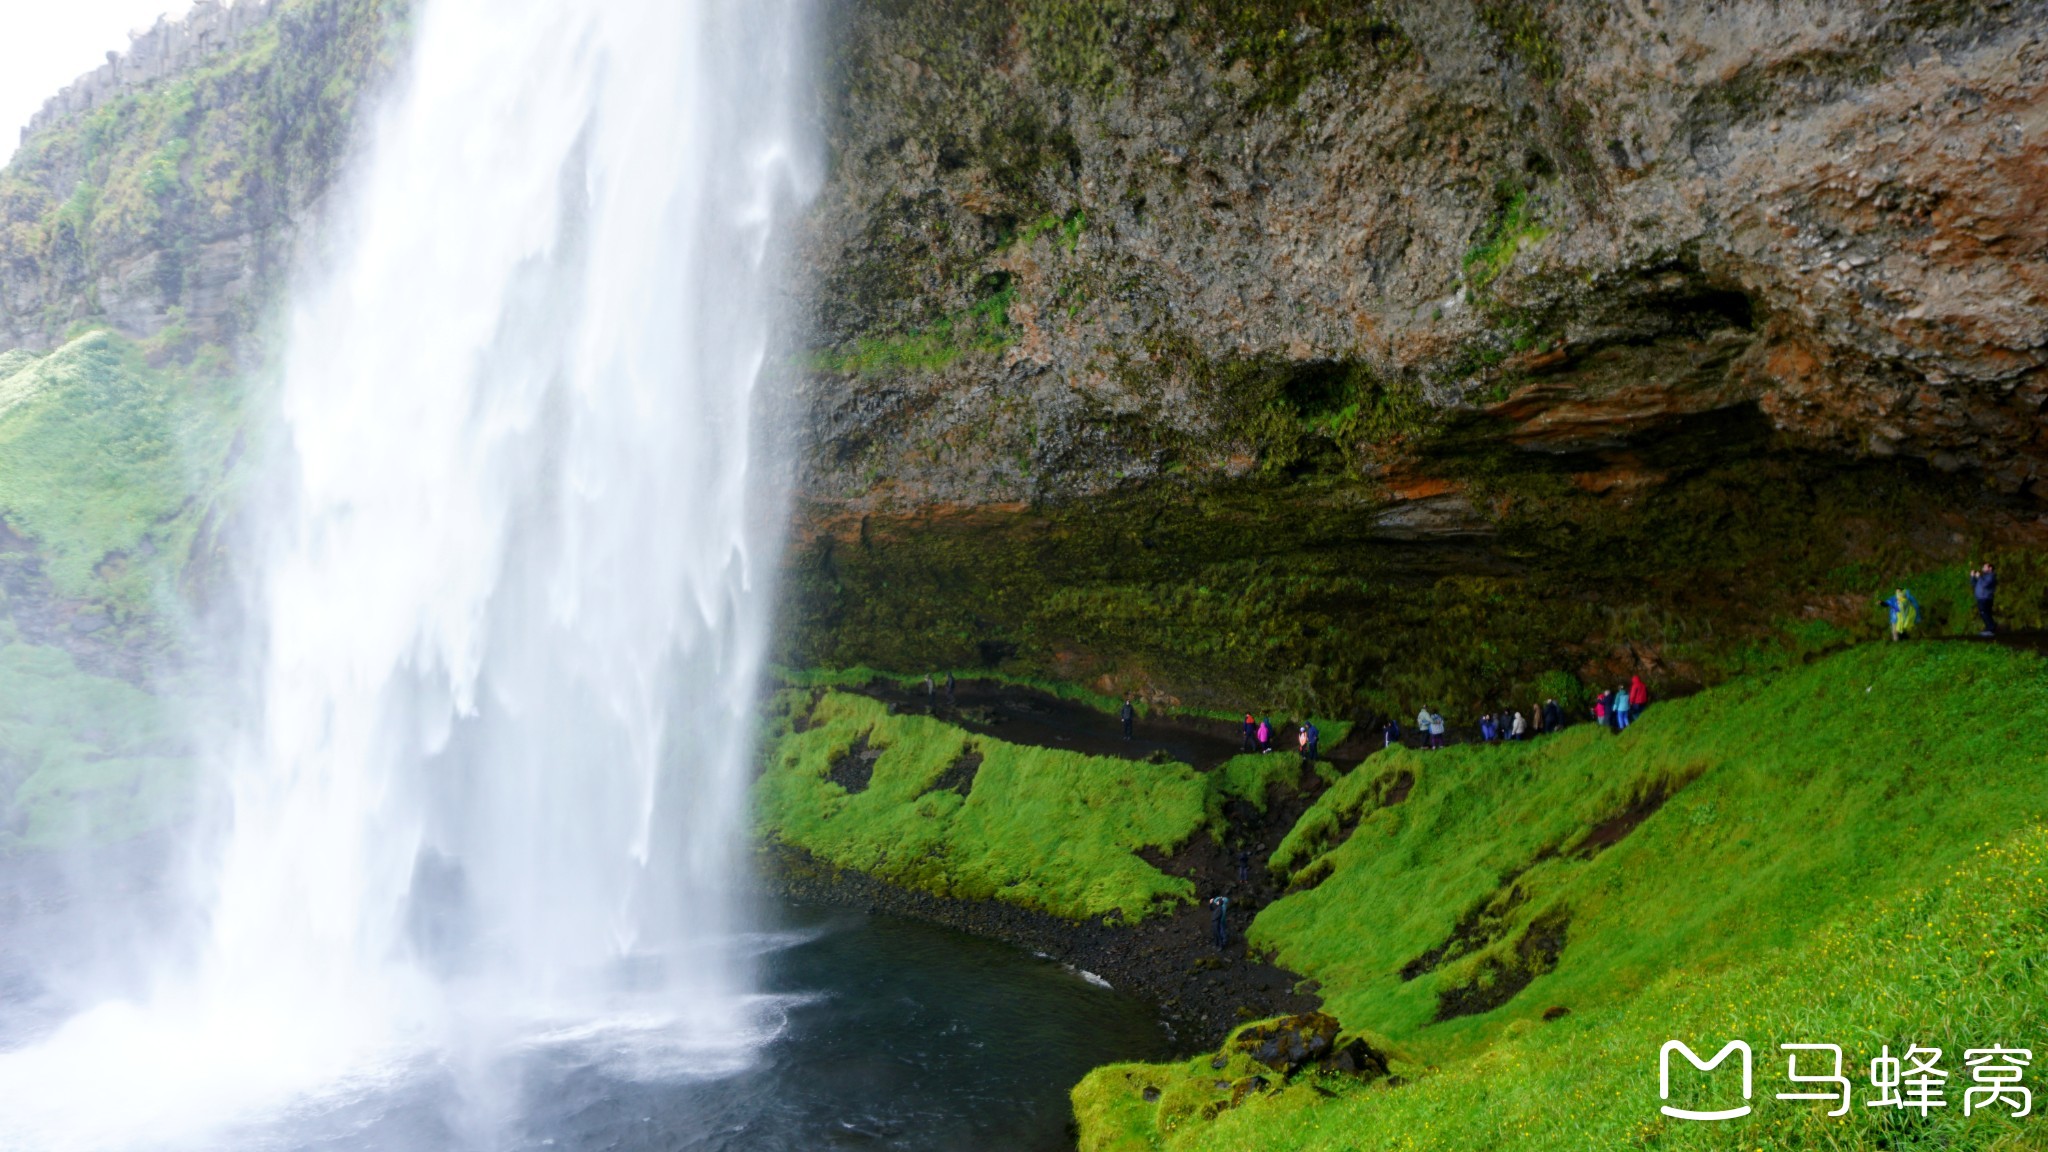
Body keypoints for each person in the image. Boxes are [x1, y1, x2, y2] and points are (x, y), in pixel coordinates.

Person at [1973, 562, 1998, 637]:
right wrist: (1972, 577)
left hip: (1986, 598)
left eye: (1984, 567)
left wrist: (1979, 577)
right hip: (1981, 598)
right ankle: (1989, 628)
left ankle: (1991, 628)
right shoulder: (1983, 576)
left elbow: (1985, 584)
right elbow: (1974, 584)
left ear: (1990, 568)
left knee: (1984, 612)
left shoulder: (1991, 576)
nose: (1982, 568)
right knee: (1985, 613)